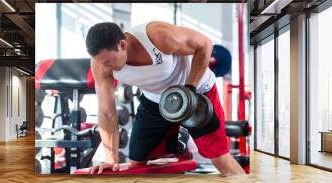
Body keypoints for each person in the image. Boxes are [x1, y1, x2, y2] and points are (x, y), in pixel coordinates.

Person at [85, 21, 245, 175]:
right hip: (156, 101)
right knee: (137, 162)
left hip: (196, 91)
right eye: (101, 62)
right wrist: (111, 160)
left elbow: (205, 44)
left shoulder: (157, 36)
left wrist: (190, 87)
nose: (105, 67)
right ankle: (175, 145)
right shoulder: (100, 65)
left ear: (122, 45)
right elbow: (107, 113)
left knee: (220, 158)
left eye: (107, 62)